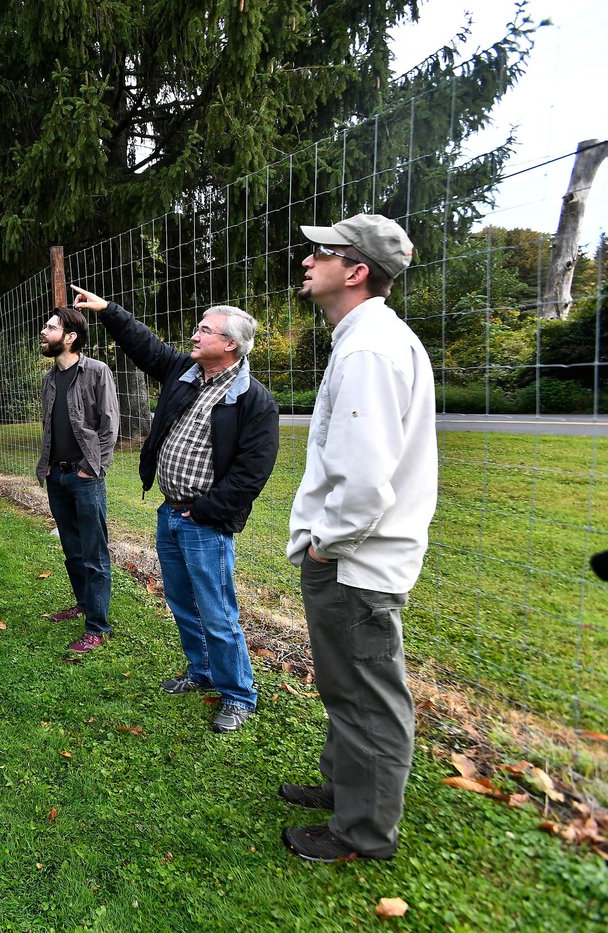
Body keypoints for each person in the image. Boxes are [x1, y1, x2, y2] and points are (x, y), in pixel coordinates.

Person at [283, 213, 436, 862]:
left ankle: (362, 833)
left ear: (357, 270)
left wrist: (325, 544)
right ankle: (347, 789)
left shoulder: (370, 349)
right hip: (351, 558)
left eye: (323, 251)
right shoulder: (364, 339)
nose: (307, 260)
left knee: (371, 698)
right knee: (346, 686)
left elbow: (366, 481)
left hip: (354, 564)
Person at [72, 286, 280, 733]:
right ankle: (201, 672)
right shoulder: (185, 372)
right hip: (170, 513)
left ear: (230, 345)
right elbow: (145, 345)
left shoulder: (253, 400)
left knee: (217, 611)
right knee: (182, 601)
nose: (196, 333)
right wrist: (108, 310)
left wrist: (204, 512)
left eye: (206, 329)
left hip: (202, 521)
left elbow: (251, 473)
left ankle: (239, 694)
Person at [35, 306, 119, 657]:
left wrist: (89, 469)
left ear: (70, 337)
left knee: (94, 553)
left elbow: (109, 426)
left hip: (85, 478)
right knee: (72, 550)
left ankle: (97, 627)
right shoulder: (49, 380)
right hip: (57, 476)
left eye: (51, 328)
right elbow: (50, 428)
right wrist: (49, 468)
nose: (43, 331)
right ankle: (84, 603)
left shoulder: (97, 371)